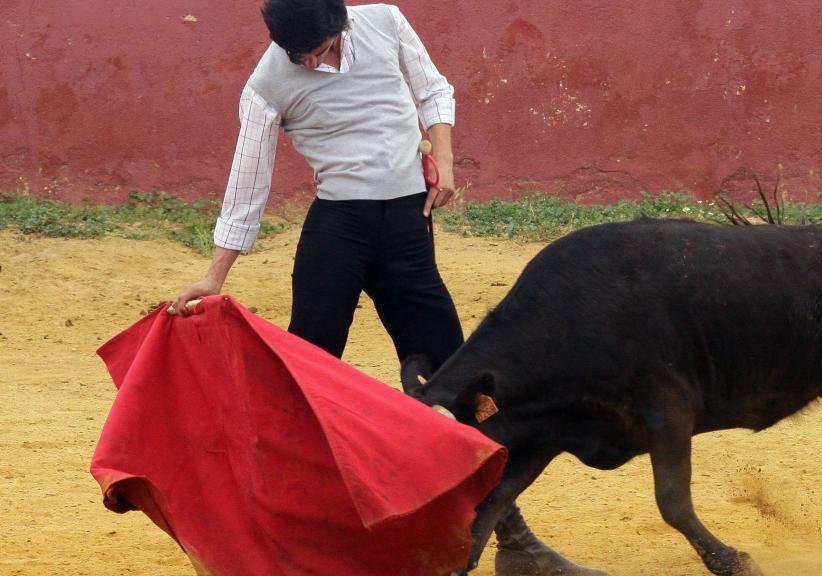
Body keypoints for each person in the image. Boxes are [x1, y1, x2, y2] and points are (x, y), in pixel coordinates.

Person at [169, 1, 605, 574]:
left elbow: (433, 90)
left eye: (324, 48)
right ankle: (287, 539)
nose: (316, 62)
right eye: (302, 57)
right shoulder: (267, 80)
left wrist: (444, 158)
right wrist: (215, 274)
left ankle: (513, 540)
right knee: (304, 383)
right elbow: (249, 177)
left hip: (406, 229)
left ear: (341, 23)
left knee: (462, 384)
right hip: (337, 234)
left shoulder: (384, 21)